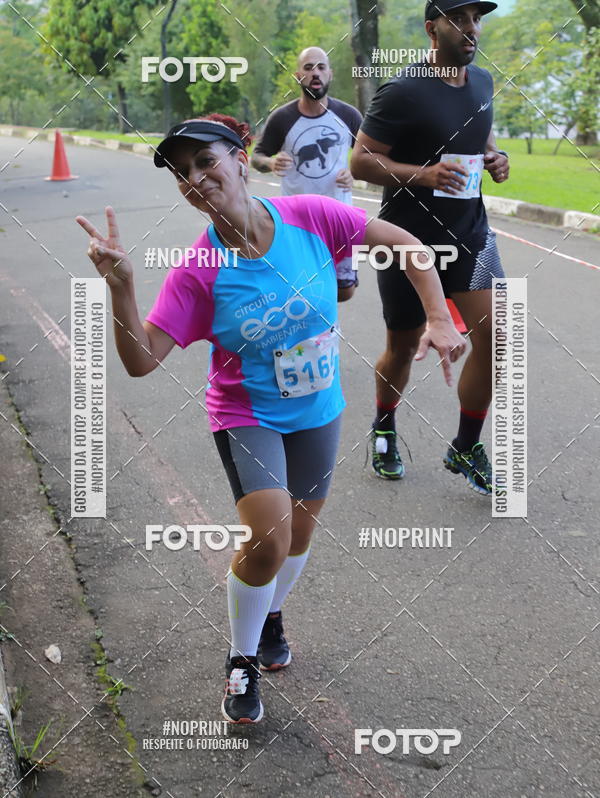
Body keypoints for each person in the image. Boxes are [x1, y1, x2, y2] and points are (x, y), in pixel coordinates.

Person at [76, 115, 466, 724]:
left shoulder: (313, 216)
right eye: (183, 173)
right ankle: (241, 658)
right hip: (246, 414)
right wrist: (122, 288)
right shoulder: (198, 272)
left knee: (299, 540)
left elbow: (409, 247)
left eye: (206, 161)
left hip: (318, 409)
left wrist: (439, 318)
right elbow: (140, 361)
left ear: (240, 157)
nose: (197, 178)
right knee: (269, 540)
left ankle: (270, 613)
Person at [351, 0, 509, 494]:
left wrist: (495, 158)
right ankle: (383, 427)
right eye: (458, 19)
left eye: (476, 19)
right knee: (401, 348)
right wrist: (425, 175)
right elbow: (361, 161)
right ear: (432, 28)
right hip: (407, 241)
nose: (470, 29)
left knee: (499, 339)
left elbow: (473, 141)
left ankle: (465, 444)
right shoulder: (403, 91)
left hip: (472, 236)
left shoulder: (482, 83)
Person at [251, 46, 362, 300]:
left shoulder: (348, 115)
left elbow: (368, 157)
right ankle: (314, 335)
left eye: (321, 67)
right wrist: (271, 163)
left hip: (339, 216)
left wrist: (354, 173)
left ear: (330, 74)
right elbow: (256, 157)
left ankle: (318, 329)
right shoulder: (282, 118)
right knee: (300, 288)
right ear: (298, 75)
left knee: (344, 291)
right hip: (295, 221)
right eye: (309, 67)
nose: (315, 73)